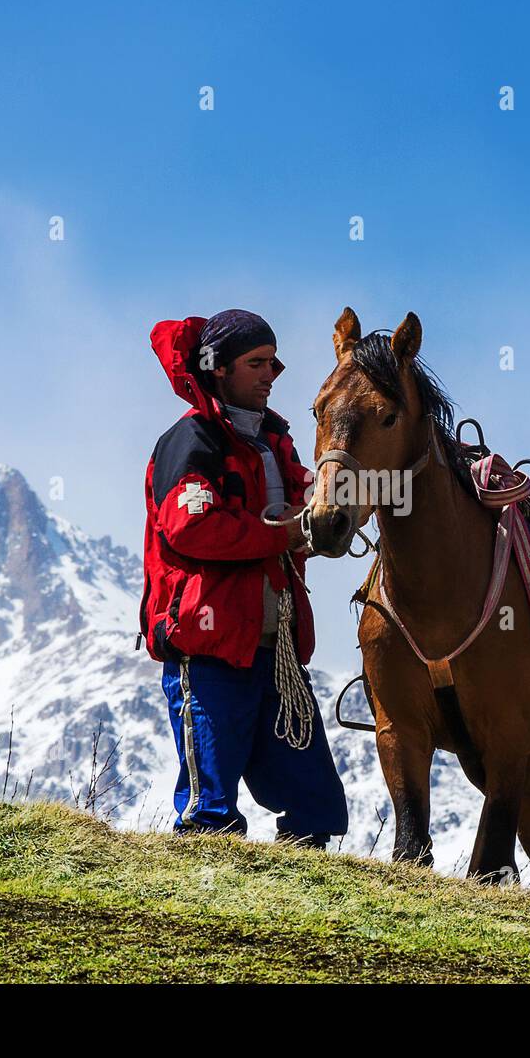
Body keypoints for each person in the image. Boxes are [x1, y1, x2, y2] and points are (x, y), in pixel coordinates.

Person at [140, 309, 348, 848]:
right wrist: (284, 535)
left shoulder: (274, 441)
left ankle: (309, 909)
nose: (272, 373)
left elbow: (312, 501)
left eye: (273, 363)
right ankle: (204, 907)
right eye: (256, 363)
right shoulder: (192, 442)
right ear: (219, 369)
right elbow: (192, 527)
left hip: (274, 647)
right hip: (210, 645)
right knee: (209, 812)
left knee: (314, 805)